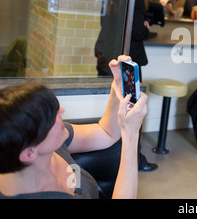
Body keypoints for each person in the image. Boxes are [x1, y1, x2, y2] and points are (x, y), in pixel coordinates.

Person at [0, 55, 147, 199]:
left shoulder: (54, 143)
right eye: (51, 117)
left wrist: (118, 87)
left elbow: (106, 133)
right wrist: (131, 135)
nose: (62, 110)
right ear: (29, 153)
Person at [95, 0, 157, 172]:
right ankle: (135, 159)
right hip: (127, 62)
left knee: (112, 111)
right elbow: (137, 33)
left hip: (106, 55)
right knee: (131, 111)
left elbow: (106, 25)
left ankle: (114, 159)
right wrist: (146, 27)